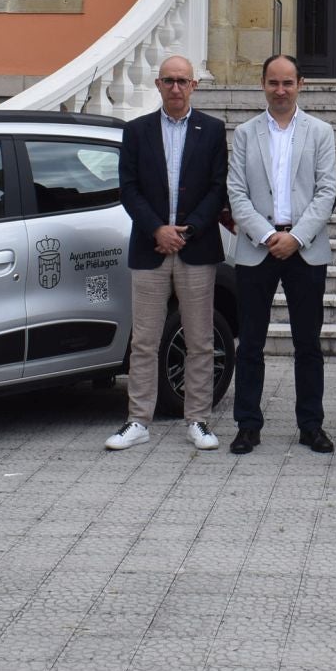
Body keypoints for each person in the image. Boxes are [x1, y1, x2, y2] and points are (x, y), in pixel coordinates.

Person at [107, 54, 229, 451]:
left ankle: (198, 420)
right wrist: (157, 229)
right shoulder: (138, 131)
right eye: (168, 81)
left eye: (182, 81)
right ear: (157, 85)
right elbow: (128, 188)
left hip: (196, 249)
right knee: (144, 340)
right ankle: (138, 420)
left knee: (200, 340)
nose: (175, 87)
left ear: (194, 85)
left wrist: (187, 230)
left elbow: (217, 188)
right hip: (150, 246)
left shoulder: (211, 130)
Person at [226, 54, 336, 454]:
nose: (280, 90)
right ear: (263, 85)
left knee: (307, 343)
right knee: (251, 343)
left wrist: (297, 237)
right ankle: (248, 425)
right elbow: (236, 192)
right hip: (257, 249)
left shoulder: (320, 132)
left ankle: (311, 425)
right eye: (273, 82)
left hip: (305, 250)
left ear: (300, 84)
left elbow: (328, 192)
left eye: (287, 83)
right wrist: (265, 234)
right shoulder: (245, 133)